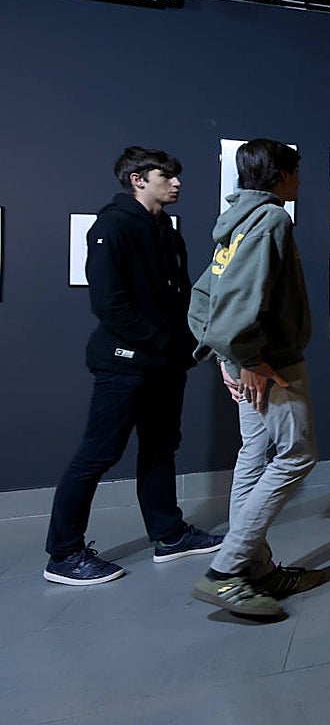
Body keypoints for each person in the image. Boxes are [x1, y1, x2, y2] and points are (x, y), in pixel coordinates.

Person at [44, 147, 222, 586]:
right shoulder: (113, 225)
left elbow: (176, 298)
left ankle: (169, 534)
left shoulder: (165, 230)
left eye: (178, 175)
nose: (177, 182)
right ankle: (63, 554)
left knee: (161, 447)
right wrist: (162, 342)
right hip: (125, 364)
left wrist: (183, 346)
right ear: (138, 180)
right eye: (168, 175)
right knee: (98, 453)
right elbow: (109, 304)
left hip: (164, 364)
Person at [188, 138, 322, 619]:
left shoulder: (235, 222)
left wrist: (224, 355)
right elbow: (241, 298)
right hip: (271, 362)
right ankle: (226, 571)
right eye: (296, 172)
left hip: (245, 358)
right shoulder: (270, 220)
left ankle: (257, 567)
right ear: (281, 175)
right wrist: (245, 358)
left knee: (253, 452)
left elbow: (205, 294)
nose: (300, 181)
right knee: (296, 456)